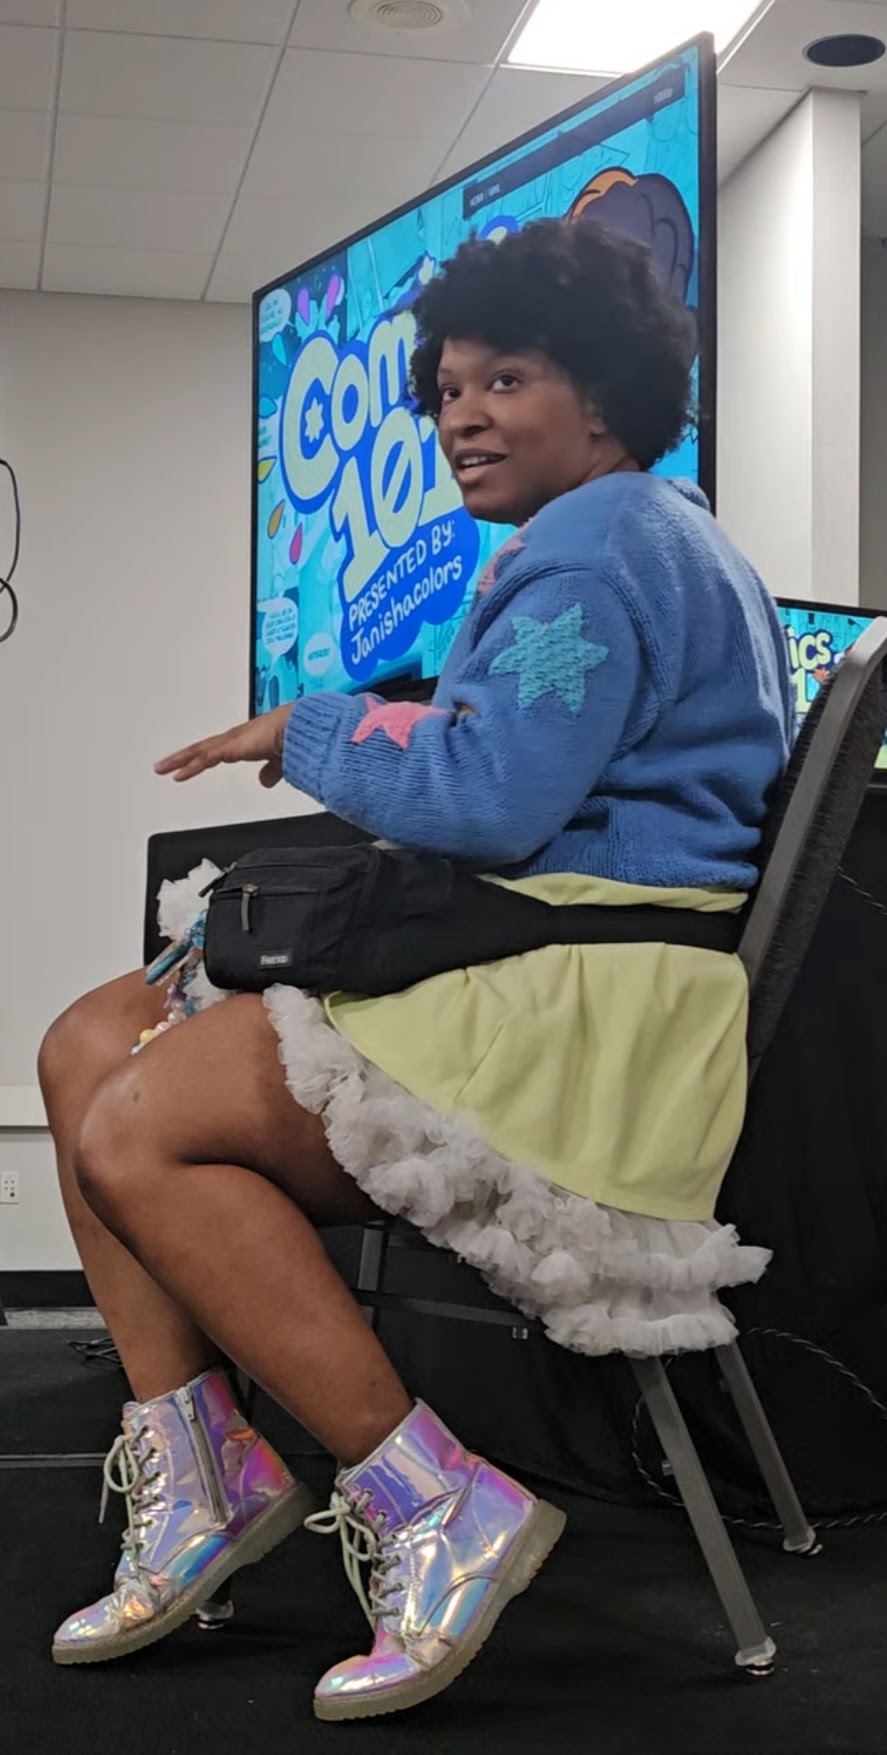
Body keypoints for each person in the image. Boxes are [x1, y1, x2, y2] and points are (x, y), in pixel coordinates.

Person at [38, 218, 792, 1721]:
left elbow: (489, 797)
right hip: (557, 947)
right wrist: (360, 724)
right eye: (448, 388)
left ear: (606, 393)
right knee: (88, 1039)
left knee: (133, 1119)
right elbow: (511, 761)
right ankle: (198, 1467)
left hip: (586, 996)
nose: (461, 415)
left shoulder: (593, 554)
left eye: (505, 379)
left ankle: (437, 1498)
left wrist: (306, 728)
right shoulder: (639, 532)